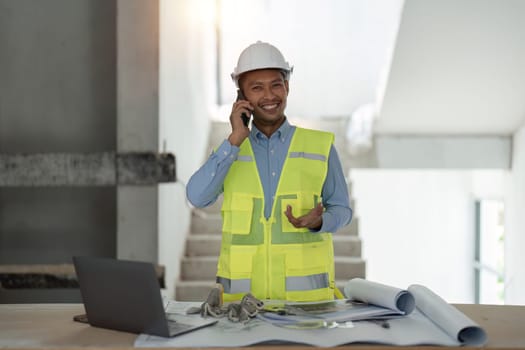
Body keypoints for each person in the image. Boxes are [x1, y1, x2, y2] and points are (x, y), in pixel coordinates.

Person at [187, 41, 352, 302]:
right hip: (242, 310)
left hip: (306, 310)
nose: (269, 96)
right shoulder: (230, 151)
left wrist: (320, 222)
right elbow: (196, 196)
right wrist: (234, 139)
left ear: (287, 86)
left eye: (276, 84)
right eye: (256, 88)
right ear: (241, 98)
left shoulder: (320, 146)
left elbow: (342, 210)